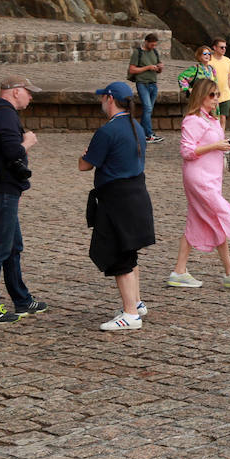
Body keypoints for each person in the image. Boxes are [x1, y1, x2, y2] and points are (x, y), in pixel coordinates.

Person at [79, 82, 155, 331]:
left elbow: (84, 165)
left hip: (116, 199)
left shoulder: (107, 131)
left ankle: (131, 314)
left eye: (103, 97)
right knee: (130, 251)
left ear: (110, 99)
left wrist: (84, 154)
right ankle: (136, 303)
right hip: (136, 194)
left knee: (120, 254)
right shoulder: (136, 126)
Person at [0, 76, 48, 324]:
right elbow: (12, 152)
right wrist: (27, 141)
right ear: (16, 92)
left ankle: (22, 300)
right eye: (29, 92)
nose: (31, 97)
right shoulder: (4, 114)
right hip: (0, 190)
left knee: (12, 246)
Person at [167, 79, 230, 289]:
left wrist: (226, 144)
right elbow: (187, 151)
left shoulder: (211, 119)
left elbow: (211, 145)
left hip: (211, 177)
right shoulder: (192, 120)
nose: (216, 99)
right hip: (199, 178)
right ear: (201, 96)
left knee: (197, 221)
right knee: (218, 216)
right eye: (212, 95)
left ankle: (179, 271)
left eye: (218, 94)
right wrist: (215, 145)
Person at [128, 33, 165, 143]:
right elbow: (132, 70)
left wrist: (160, 67)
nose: (153, 47)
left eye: (155, 45)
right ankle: (149, 134)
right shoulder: (138, 53)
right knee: (148, 108)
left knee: (148, 110)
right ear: (146, 42)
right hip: (142, 83)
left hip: (153, 83)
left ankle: (140, 133)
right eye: (152, 45)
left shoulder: (154, 52)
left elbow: (158, 69)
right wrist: (148, 67)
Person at [208, 38, 230, 129]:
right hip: (213, 94)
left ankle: (221, 138)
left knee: (223, 118)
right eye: (221, 47)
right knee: (215, 118)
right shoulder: (209, 60)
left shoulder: (228, 61)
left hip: (225, 94)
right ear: (214, 47)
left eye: (225, 47)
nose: (224, 49)